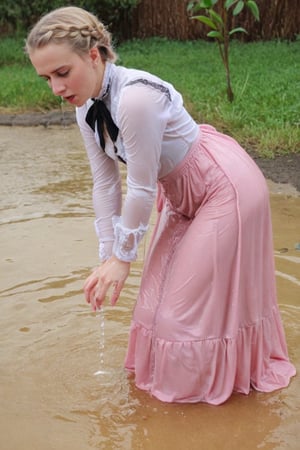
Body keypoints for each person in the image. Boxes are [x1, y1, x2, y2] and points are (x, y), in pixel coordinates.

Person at [26, 6, 296, 405]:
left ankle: (193, 410)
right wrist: (107, 255)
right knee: (150, 310)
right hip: (180, 194)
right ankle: (159, 399)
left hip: (224, 187)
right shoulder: (86, 110)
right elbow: (104, 184)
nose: (56, 88)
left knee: (176, 317)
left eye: (62, 73)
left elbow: (139, 188)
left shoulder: (135, 99)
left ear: (95, 55)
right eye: (46, 77)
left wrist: (123, 257)